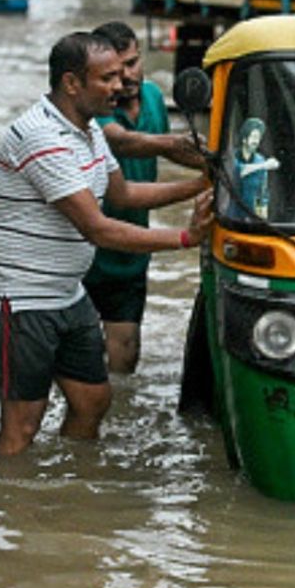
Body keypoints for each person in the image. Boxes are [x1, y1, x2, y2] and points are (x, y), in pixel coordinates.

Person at [0, 31, 212, 456]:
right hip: (20, 297)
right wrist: (186, 237)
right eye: (108, 78)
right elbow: (98, 228)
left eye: (122, 75)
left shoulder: (89, 130)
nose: (120, 86)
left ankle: (68, 497)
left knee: (93, 401)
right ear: (71, 83)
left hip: (66, 292)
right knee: (24, 423)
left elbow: (122, 195)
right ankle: (10, 510)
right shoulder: (41, 137)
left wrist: (200, 184)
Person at [83, 21, 205, 374]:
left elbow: (171, 153)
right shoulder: (93, 109)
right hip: (88, 246)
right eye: (116, 70)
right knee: (81, 358)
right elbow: (121, 140)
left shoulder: (152, 97)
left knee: (127, 349)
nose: (128, 75)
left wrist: (216, 164)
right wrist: (175, 147)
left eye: (133, 63)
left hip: (134, 245)